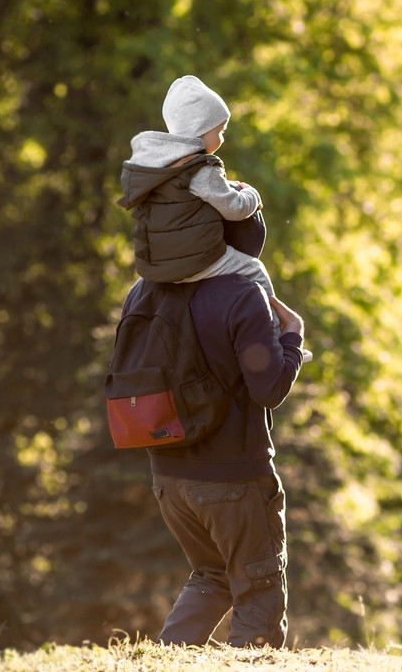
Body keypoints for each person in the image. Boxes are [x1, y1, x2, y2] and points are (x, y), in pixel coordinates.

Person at [119, 272, 305, 648]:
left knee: (212, 574)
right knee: (259, 588)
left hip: (168, 477)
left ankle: (168, 657)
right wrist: (293, 338)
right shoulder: (241, 292)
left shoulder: (144, 290)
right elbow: (269, 388)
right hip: (233, 478)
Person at [117, 74, 311, 360]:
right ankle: (279, 339)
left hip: (157, 263)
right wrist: (252, 195)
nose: (221, 138)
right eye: (219, 131)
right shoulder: (202, 169)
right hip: (196, 259)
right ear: (200, 130)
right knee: (255, 271)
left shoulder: (160, 169)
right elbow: (234, 208)